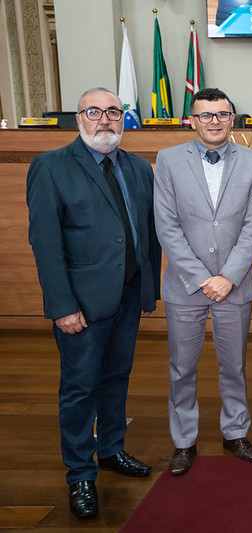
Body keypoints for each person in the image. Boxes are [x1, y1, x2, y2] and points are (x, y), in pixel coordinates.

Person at [26, 87, 161, 518]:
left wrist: (148, 289)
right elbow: (45, 242)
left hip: (128, 296)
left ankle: (111, 450)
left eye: (114, 112)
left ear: (124, 119)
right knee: (80, 388)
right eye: (95, 112)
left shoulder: (140, 168)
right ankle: (80, 475)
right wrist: (62, 305)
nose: (105, 119)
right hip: (81, 304)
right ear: (79, 118)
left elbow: (148, 236)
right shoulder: (51, 167)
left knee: (117, 378)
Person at [154, 87, 252, 476]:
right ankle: (184, 440)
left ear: (231, 118)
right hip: (186, 285)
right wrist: (204, 279)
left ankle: (235, 432)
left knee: (233, 365)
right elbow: (166, 227)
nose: (214, 121)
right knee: (182, 368)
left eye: (221, 114)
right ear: (192, 119)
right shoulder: (168, 160)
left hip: (234, 285)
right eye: (205, 115)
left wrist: (228, 278)